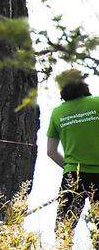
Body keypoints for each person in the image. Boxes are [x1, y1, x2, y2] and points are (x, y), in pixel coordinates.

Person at [46, 69, 99, 234]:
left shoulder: (57, 113)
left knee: (64, 232)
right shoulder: (97, 103)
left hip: (72, 177)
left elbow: (51, 152)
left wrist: (71, 168)